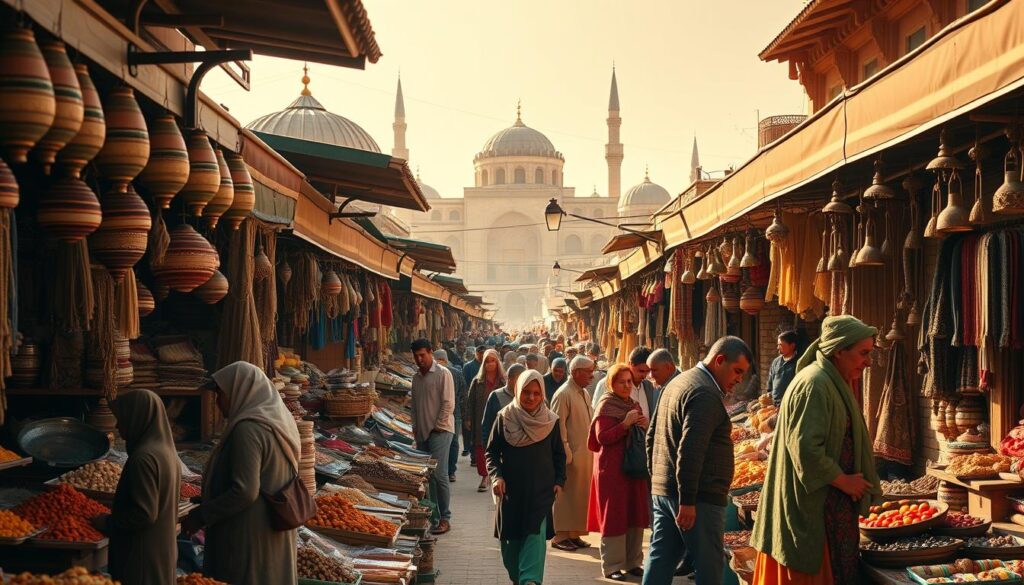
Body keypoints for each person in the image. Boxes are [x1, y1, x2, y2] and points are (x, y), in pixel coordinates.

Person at [751, 316, 881, 585]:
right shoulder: (815, 384)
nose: (868, 362)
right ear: (839, 350)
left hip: (830, 509)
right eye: (863, 353)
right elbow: (806, 450)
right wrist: (845, 481)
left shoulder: (830, 381)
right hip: (814, 511)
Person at [643, 336, 752, 585]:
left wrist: (658, 483)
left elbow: (651, 437)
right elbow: (690, 450)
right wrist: (688, 500)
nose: (738, 379)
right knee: (709, 565)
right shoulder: (704, 392)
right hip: (697, 499)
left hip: (667, 492)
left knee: (661, 559)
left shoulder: (678, 382)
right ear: (719, 360)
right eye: (737, 371)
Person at [184, 361, 300, 585]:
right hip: (272, 526)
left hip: (249, 533)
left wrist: (200, 516)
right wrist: (212, 493)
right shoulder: (278, 421)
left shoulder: (248, 429)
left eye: (221, 394)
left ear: (240, 391)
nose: (217, 402)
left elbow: (244, 491)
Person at [487, 370, 567, 585]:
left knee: (534, 541)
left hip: (540, 493)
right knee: (510, 551)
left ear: (542, 395)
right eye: (526, 392)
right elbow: (492, 452)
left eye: (536, 393)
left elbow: (559, 454)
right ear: (517, 391)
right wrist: (496, 477)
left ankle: (530, 581)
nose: (531, 398)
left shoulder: (551, 421)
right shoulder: (504, 418)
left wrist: (559, 481)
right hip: (511, 494)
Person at [93, 390, 180, 585]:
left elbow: (144, 513)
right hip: (161, 554)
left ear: (137, 418)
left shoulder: (144, 458)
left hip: (141, 560)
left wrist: (107, 522)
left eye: (122, 419)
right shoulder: (167, 452)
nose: (117, 425)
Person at [588, 364, 651, 581]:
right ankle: (612, 566)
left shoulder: (633, 404)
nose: (626, 386)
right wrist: (625, 424)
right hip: (612, 471)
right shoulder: (606, 406)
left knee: (635, 513)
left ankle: (633, 562)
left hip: (633, 469)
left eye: (629, 382)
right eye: (621, 381)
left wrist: (643, 424)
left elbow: (641, 432)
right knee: (614, 516)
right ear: (611, 383)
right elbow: (602, 438)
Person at [550, 355, 596, 551]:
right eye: (589, 373)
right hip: (571, 457)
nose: (592, 377)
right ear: (577, 373)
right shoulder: (564, 393)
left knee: (579, 497)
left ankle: (574, 534)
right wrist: (566, 453)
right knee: (565, 498)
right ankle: (560, 536)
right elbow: (558, 426)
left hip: (585, 455)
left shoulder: (583, 393)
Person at [410, 339, 455, 535]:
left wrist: (437, 427)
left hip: (440, 431)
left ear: (430, 353)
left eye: (423, 355)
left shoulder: (443, 374)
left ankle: (445, 518)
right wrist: (415, 427)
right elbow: (414, 405)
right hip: (422, 433)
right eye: (416, 356)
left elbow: (448, 404)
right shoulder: (416, 378)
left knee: (439, 475)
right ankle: (432, 516)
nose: (420, 359)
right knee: (427, 477)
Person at [467, 349, 507, 492]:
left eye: (493, 361)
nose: (490, 364)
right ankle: (484, 476)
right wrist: (468, 419)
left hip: (498, 420)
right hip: (480, 420)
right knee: (480, 448)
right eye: (487, 361)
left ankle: (497, 475)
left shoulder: (504, 381)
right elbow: (470, 402)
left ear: (497, 362)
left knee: (498, 447)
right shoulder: (477, 382)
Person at [591, 346, 657, 418]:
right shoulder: (607, 384)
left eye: (648, 371)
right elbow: (598, 416)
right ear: (630, 364)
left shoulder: (648, 387)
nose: (644, 376)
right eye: (641, 371)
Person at [435, 349, 467, 483]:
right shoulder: (457, 373)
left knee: (443, 443)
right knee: (453, 443)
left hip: (440, 413)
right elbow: (463, 395)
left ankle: (442, 471)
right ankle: (450, 472)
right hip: (455, 413)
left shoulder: (436, 373)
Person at [482, 364, 526, 458]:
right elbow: (487, 424)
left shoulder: (528, 397)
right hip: (502, 450)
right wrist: (489, 452)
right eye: (519, 380)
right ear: (509, 379)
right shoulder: (496, 396)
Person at [463, 345, 486, 457]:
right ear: (476, 353)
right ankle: (472, 453)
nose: (481, 355)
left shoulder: (488, 366)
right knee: (472, 428)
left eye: (483, 353)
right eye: (480, 353)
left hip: (485, 402)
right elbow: (466, 385)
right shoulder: (468, 367)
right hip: (471, 399)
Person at [767, 330, 799, 406]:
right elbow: (770, 381)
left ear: (792, 345)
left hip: (790, 405)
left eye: (780, 345)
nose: (778, 347)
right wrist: (769, 393)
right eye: (778, 345)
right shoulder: (776, 362)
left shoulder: (798, 363)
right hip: (774, 405)